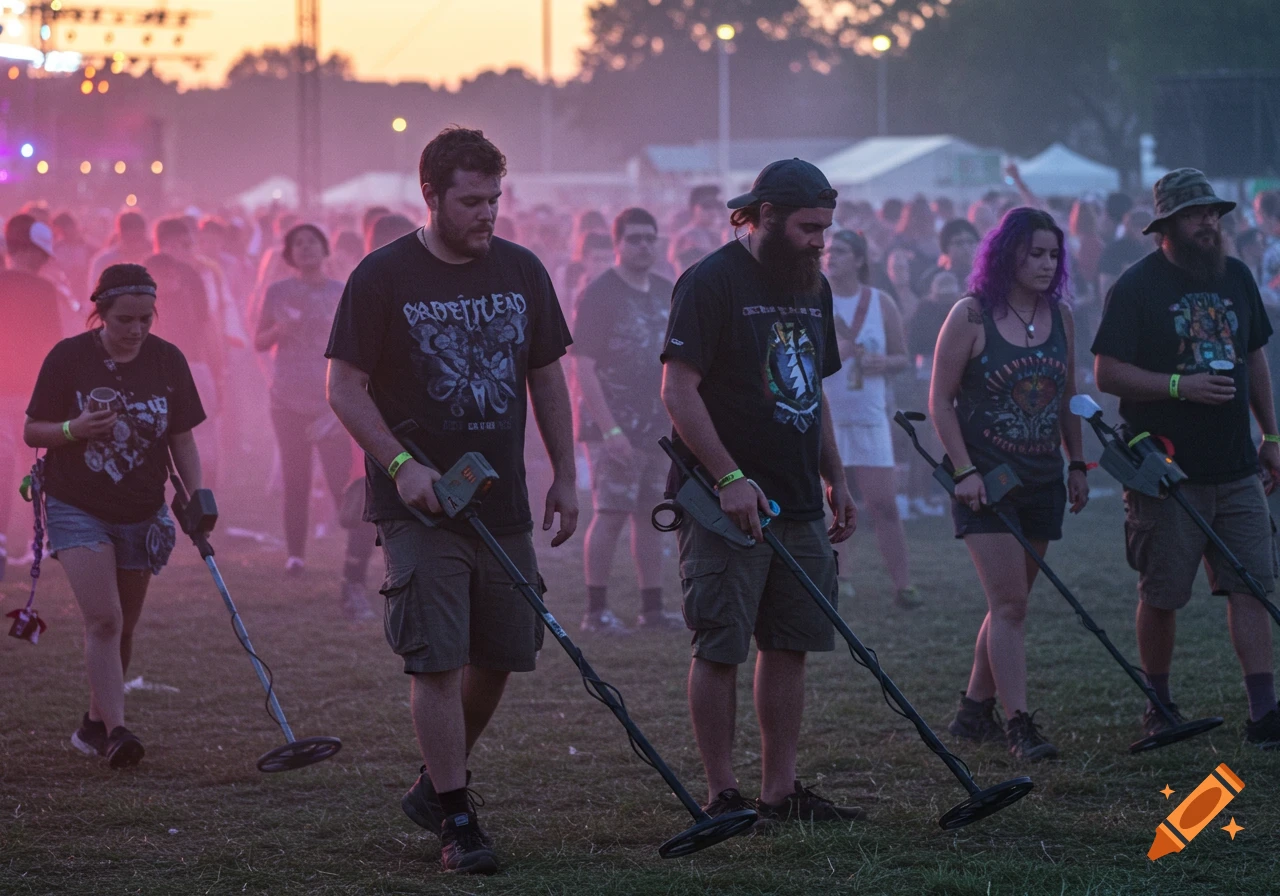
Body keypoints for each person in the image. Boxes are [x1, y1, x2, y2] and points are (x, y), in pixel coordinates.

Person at [326, 127, 577, 874]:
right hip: (418, 503)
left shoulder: (522, 270)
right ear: (430, 195)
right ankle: (458, 816)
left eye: (495, 199)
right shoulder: (381, 277)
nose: (487, 214)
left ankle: (434, 782)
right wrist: (400, 465)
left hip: (499, 496)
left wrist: (566, 471)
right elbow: (343, 388)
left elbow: (548, 379)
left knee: (506, 649)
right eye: (471, 201)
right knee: (436, 657)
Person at [661, 159, 861, 826]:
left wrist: (837, 475)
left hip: (800, 498)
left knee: (790, 643)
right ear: (766, 215)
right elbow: (677, 390)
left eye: (825, 229)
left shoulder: (815, 285)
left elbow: (814, 392)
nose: (818, 240)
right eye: (807, 227)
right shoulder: (710, 281)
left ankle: (780, 793)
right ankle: (722, 794)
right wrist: (727, 477)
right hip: (726, 506)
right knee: (720, 644)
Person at [1092, 168, 1280, 749]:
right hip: (1166, 471)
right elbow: (1107, 372)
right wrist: (1180, 385)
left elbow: (1253, 359)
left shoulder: (1238, 277)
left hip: (1236, 466)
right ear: (1165, 225)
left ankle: (1264, 711)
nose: (1209, 222)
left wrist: (1271, 436)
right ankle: (1160, 703)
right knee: (1163, 592)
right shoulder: (1137, 285)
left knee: (1250, 584)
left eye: (1214, 214)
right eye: (1196, 214)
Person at [24, 263, 205, 768]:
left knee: (123, 626)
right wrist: (73, 429)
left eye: (146, 318)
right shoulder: (68, 358)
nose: (137, 329)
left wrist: (198, 496)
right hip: (75, 503)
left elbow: (183, 439)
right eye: (126, 319)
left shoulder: (168, 360)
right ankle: (119, 733)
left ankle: (93, 723)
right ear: (100, 313)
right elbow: (32, 430)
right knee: (102, 618)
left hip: (141, 510)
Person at [930, 207, 1089, 761]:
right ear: (1008, 255)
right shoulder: (971, 315)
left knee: (1009, 605)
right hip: (988, 483)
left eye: (1053, 255)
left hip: (1044, 477)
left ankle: (973, 712)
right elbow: (940, 402)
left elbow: (1069, 394)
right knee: (1011, 606)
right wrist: (964, 471)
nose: (1046, 265)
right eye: (1035, 254)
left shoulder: (1062, 316)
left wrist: (1077, 463)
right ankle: (1019, 724)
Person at [571, 207, 680, 635]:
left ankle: (651, 609)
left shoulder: (665, 290)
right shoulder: (600, 293)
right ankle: (595, 611)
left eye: (650, 238)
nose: (643, 245)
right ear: (617, 244)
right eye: (634, 238)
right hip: (610, 426)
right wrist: (610, 430)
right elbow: (582, 367)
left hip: (657, 425)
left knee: (652, 514)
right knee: (611, 513)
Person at [823, 229, 919, 609]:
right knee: (831, 501)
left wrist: (886, 362)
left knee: (884, 504)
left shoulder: (881, 303)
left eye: (841, 252)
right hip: (827, 413)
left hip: (869, 414)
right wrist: (837, 353)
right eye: (829, 251)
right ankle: (840, 577)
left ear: (860, 260)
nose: (831, 257)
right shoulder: (813, 300)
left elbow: (902, 356)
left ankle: (903, 584)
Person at [0, 215, 64, 580]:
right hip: (30, 394)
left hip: (14, 391)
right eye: (40, 254)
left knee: (8, 467)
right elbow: (52, 346)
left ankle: (11, 543)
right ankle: (42, 542)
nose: (43, 262)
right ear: (22, 248)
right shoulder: (44, 291)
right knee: (37, 468)